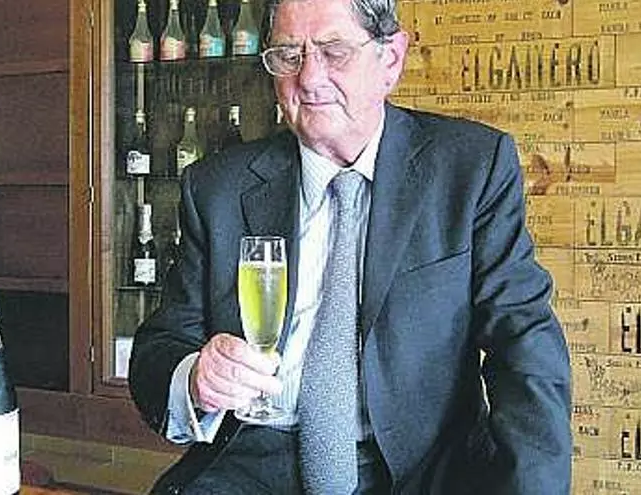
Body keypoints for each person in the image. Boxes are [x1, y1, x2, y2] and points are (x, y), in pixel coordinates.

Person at [129, 0, 572, 492]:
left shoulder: (470, 168)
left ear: (391, 58)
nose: (309, 78)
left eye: (334, 51)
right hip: (254, 459)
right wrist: (196, 376)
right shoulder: (218, 188)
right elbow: (160, 345)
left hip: (421, 469)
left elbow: (524, 343)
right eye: (288, 55)